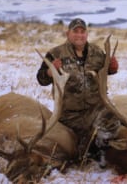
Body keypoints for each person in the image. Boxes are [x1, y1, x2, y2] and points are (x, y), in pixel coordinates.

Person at [36, 18, 119, 160]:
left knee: (113, 122)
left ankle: (101, 149)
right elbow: (41, 79)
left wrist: (112, 68)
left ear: (86, 34)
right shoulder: (55, 54)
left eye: (82, 32)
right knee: (73, 143)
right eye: (75, 32)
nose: (79, 35)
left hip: (95, 109)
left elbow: (106, 71)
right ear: (68, 34)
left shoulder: (97, 53)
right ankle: (88, 148)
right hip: (69, 114)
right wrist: (50, 72)